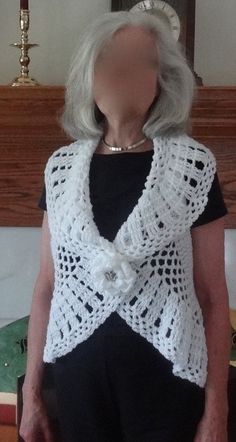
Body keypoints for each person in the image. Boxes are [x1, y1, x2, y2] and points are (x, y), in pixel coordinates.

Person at [19, 10, 231, 442]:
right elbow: (46, 287)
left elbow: (212, 297)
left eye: (139, 62)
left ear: (163, 79)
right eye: (109, 62)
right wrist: (34, 392)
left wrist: (217, 408)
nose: (122, 73)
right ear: (88, 76)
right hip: (79, 386)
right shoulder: (61, 169)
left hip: (169, 386)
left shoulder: (192, 168)